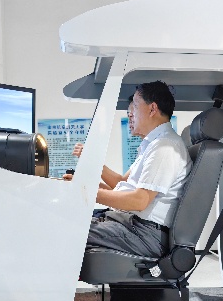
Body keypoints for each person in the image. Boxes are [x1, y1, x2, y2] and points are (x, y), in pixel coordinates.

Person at [78, 81, 192, 258]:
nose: (131, 114)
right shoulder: (154, 145)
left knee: (69, 227)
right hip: (134, 225)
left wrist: (88, 192)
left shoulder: (165, 147)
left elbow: (140, 200)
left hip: (145, 233)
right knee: (71, 217)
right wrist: (84, 184)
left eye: (135, 107)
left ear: (152, 109)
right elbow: (122, 184)